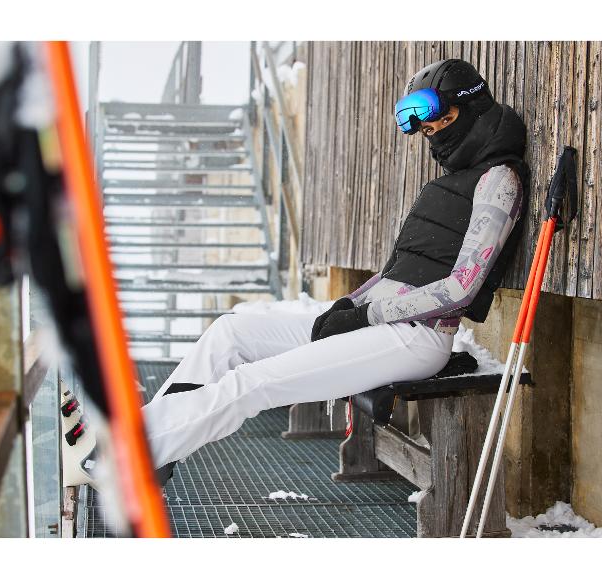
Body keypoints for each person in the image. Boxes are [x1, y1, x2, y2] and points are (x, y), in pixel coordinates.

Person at [69, 58, 529, 486]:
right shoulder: (452, 182)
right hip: (374, 320)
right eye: (425, 130)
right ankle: (153, 446)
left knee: (253, 384)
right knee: (230, 334)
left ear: (472, 109)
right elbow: (400, 268)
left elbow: (462, 288)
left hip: (414, 337)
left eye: (441, 123)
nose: (433, 137)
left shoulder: (498, 181)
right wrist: (352, 305)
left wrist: (365, 315)